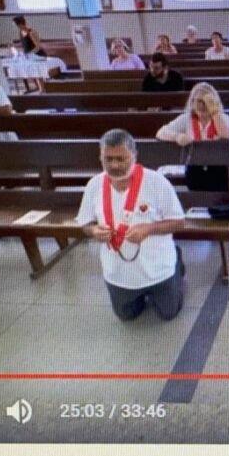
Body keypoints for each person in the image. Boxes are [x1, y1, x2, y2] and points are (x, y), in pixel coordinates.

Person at [76, 129, 186, 321]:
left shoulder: (157, 182)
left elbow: (179, 222)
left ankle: (176, 263)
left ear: (134, 156)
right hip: (118, 271)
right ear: (100, 157)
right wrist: (94, 230)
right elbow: (85, 223)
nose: (114, 165)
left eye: (121, 158)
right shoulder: (94, 184)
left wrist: (149, 228)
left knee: (169, 314)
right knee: (126, 316)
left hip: (158, 267)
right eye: (108, 159)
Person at [156, 82, 229, 191]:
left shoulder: (223, 118)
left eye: (205, 105)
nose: (202, 110)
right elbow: (161, 132)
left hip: (219, 169)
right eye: (197, 104)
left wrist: (214, 112)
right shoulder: (187, 118)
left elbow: (228, 136)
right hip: (195, 168)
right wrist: (177, 136)